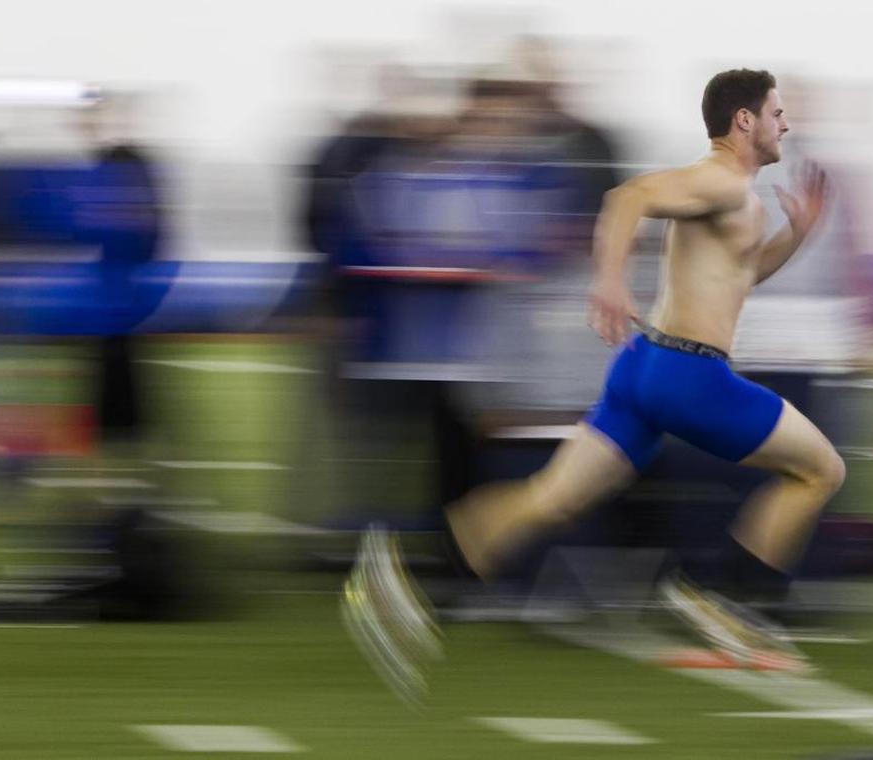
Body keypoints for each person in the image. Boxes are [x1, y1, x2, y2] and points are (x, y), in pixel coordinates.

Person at [347, 68, 842, 692]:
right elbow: (626, 198)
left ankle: (404, 576)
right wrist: (608, 280)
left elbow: (737, 278)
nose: (786, 124)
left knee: (554, 497)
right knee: (821, 470)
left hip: (645, 368)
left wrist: (796, 234)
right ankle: (734, 605)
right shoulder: (717, 180)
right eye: (777, 112)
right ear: (745, 120)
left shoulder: (736, 197)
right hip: (688, 376)